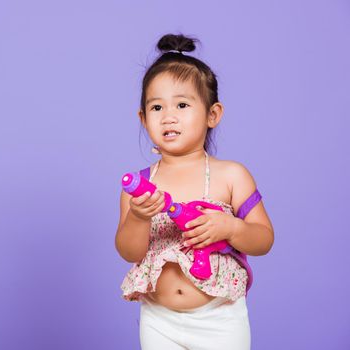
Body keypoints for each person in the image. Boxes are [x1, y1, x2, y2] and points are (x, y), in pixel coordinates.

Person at [114, 33, 275, 350]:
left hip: (219, 320)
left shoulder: (231, 175)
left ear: (212, 115)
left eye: (183, 104)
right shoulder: (141, 188)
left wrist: (231, 227)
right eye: (157, 107)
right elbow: (129, 252)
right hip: (159, 320)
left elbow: (264, 239)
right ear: (143, 119)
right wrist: (137, 216)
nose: (169, 116)